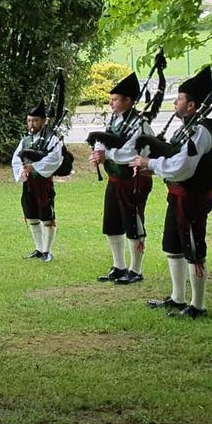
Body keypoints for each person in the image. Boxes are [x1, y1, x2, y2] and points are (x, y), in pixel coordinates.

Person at [133, 67, 212, 319]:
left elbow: (183, 166)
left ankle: (198, 306)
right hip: (177, 195)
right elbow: (172, 159)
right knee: (173, 245)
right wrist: (155, 169)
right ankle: (177, 298)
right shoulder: (185, 129)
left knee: (193, 249)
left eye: (180, 98)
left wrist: (150, 165)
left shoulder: (200, 131)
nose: (175, 102)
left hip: (192, 198)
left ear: (192, 105)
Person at [89, 73, 155, 285]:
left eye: (115, 99)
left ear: (128, 100)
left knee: (133, 223)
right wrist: (98, 151)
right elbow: (105, 140)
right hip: (115, 180)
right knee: (112, 223)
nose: (111, 102)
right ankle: (119, 266)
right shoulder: (115, 120)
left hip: (133, 180)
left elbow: (130, 153)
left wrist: (106, 155)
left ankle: (136, 270)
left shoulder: (140, 124)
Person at [13, 101, 63, 262]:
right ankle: (39, 249)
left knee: (46, 217)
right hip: (28, 184)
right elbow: (16, 158)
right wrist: (22, 171)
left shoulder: (52, 139)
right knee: (32, 216)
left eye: (35, 120)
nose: (31, 124)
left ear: (43, 121)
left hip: (43, 184)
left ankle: (47, 250)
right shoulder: (25, 140)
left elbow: (55, 158)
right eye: (28, 120)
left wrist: (35, 167)